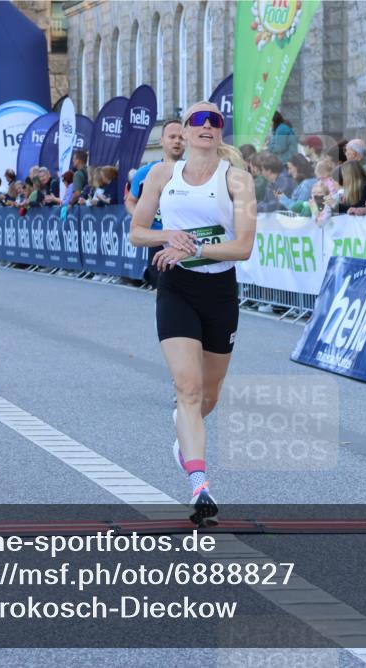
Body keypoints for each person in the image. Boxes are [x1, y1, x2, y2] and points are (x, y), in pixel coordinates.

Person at [129, 101, 257, 525]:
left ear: (220, 132)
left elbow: (243, 247)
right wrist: (169, 236)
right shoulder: (161, 175)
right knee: (187, 388)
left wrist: (195, 247)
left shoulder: (237, 179)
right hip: (177, 287)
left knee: (209, 396)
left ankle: (184, 433)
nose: (206, 125)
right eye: (197, 120)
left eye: (214, 120)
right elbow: (136, 233)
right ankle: (200, 485)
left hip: (219, 291)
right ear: (183, 132)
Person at [126, 119, 187, 288]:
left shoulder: (195, 172)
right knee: (163, 290)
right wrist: (142, 217)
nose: (177, 141)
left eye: (181, 137)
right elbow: (130, 201)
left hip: (186, 241)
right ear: (161, 141)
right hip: (158, 239)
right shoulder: (146, 172)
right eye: (172, 137)